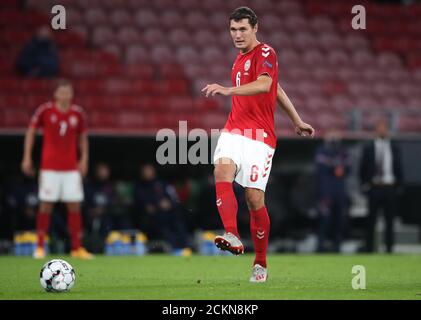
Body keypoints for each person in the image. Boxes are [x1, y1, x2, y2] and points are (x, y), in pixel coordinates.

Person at [201, 7, 315, 282]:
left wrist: (228, 90)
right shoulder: (238, 60)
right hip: (233, 130)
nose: (237, 35)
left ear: (255, 28)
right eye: (233, 29)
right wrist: (298, 120)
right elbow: (278, 87)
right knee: (221, 171)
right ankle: (232, 234)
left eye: (242, 29)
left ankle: (260, 263)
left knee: (254, 199)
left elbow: (267, 85)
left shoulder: (266, 53)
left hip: (260, 137)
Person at [21, 79, 93, 259]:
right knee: (46, 205)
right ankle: (39, 246)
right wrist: (27, 157)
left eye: (68, 92)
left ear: (72, 94)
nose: (65, 96)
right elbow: (31, 132)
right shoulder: (45, 110)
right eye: (61, 92)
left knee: (74, 205)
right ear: (55, 94)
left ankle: (76, 248)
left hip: (70, 168)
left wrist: (83, 159)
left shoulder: (77, 113)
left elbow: (83, 137)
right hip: (49, 167)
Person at [359, 119, 403, 253]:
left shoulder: (394, 148)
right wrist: (364, 185)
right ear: (376, 130)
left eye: (384, 128)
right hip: (374, 187)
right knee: (371, 220)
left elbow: (399, 168)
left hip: (389, 187)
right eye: (380, 127)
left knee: (390, 221)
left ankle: (389, 249)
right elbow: (362, 169)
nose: (382, 130)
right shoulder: (369, 148)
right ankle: (369, 249)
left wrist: (399, 186)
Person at [133, 164, 192, 256]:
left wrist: (169, 204)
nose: (147, 173)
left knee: (179, 224)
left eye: (149, 170)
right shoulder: (139, 187)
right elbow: (145, 207)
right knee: (164, 229)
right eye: (145, 171)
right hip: (154, 218)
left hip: (169, 215)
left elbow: (174, 200)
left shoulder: (163, 184)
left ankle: (186, 248)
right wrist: (158, 206)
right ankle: (176, 250)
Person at [314, 130, 350, 253]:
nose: (334, 139)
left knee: (339, 219)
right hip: (326, 191)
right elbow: (321, 164)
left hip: (339, 191)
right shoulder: (322, 150)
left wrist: (338, 166)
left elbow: (347, 167)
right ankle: (320, 246)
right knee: (324, 219)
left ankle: (337, 246)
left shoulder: (342, 151)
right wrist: (335, 165)